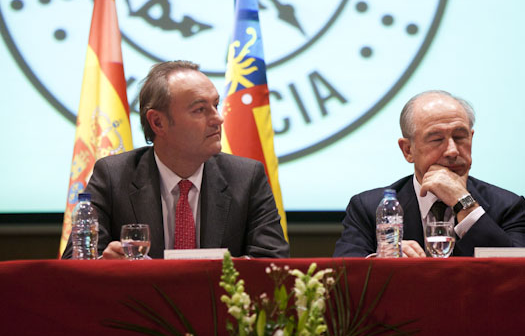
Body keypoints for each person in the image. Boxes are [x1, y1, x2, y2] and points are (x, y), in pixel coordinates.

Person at [63, 60, 289, 259]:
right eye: (200, 110)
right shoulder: (113, 176)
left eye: (216, 105)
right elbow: (76, 262)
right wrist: (106, 265)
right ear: (158, 123)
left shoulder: (246, 177)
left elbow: (273, 261)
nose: (218, 119)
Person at [334, 90, 525, 258]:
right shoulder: (368, 208)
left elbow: (515, 274)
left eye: (460, 137)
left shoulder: (508, 206)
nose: (452, 151)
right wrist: (383, 261)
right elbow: (345, 277)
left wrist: (463, 202)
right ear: (408, 150)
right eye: (436, 139)